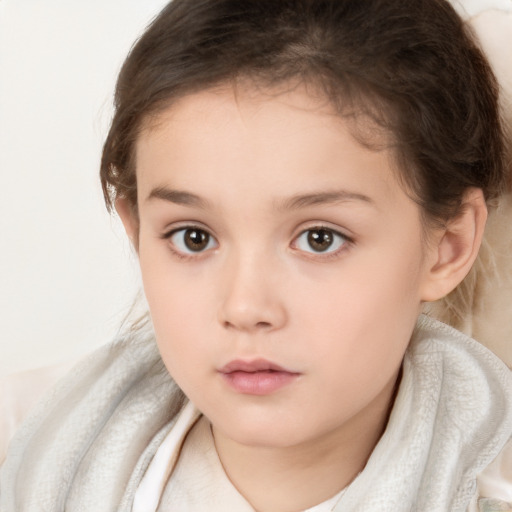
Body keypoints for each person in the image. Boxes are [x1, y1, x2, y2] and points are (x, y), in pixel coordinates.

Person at [1, 0, 511, 510]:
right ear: (137, 232)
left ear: (449, 246)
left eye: (319, 238)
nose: (245, 308)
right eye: (193, 237)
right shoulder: (22, 449)